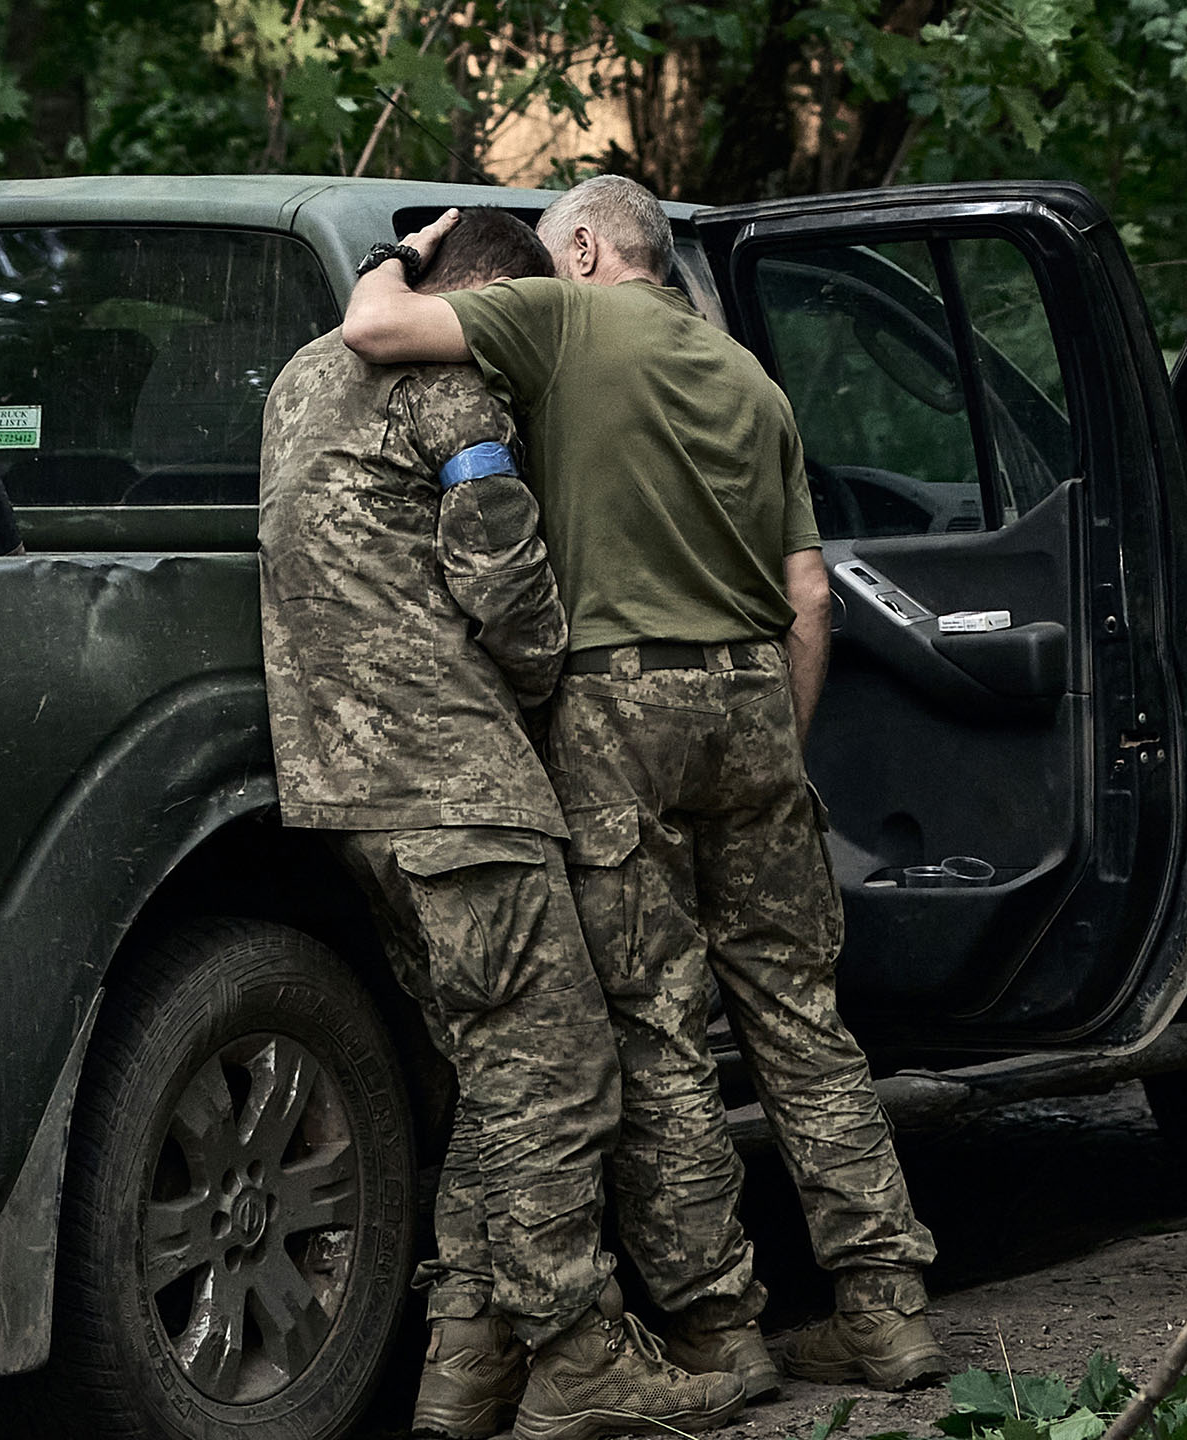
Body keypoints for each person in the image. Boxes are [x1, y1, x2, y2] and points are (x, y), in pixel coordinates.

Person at [338, 178, 948, 1399]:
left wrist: (408, 253)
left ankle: (721, 1329)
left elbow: (373, 331)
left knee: (660, 1029)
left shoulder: (564, 318)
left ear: (580, 245)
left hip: (616, 707)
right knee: (802, 1020)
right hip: (756, 703)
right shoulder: (751, 381)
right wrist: (775, 741)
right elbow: (811, 598)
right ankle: (888, 1311)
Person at [259, 207, 746, 1440]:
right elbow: (508, 583)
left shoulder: (301, 377)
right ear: (484, 301)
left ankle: (464, 1372)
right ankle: (581, 1359)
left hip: (342, 791)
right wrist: (551, 681)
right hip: (458, 788)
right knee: (568, 1078)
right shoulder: (453, 383)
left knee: (497, 1081)